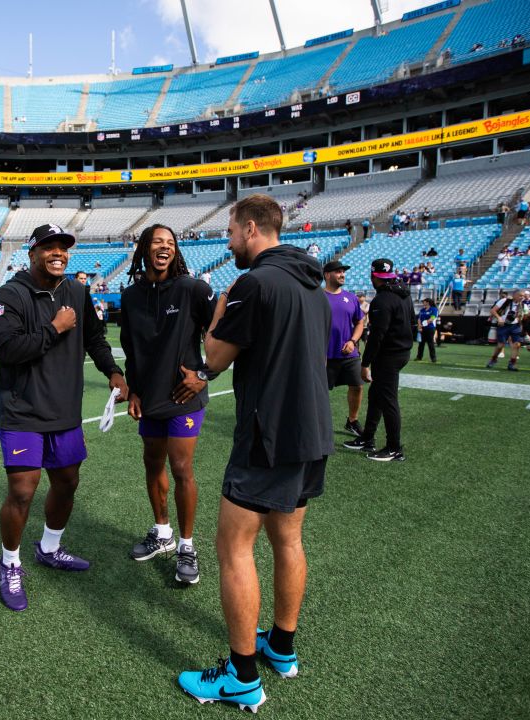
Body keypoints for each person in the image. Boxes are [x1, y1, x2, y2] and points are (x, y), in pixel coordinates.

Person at [177, 195, 331, 712]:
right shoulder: (314, 284)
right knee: (288, 539)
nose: (228, 242)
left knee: (233, 548)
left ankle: (242, 676)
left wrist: (219, 315)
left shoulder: (255, 282)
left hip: (268, 435)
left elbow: (214, 359)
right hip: (312, 432)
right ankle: (281, 648)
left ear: (249, 228)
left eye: (231, 232)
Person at [0, 223, 128, 612]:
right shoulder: (11, 293)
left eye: (63, 248)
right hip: (22, 411)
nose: (58, 253)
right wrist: (54, 329)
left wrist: (114, 373)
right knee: (22, 490)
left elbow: (95, 339)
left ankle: (49, 548)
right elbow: (8, 350)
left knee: (67, 483)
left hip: (65, 410)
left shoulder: (78, 291)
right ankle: (10, 563)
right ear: (32, 253)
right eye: (49, 247)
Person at [119, 224, 216, 585]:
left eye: (171, 243)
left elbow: (222, 337)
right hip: (150, 397)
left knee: (181, 468)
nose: (165, 247)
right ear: (144, 248)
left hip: (185, 397)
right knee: (151, 462)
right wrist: (134, 390)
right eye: (158, 242)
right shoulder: (130, 296)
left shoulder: (193, 289)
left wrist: (204, 375)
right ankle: (163, 534)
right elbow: (130, 348)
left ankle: (187, 546)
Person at [342, 259, 413, 461]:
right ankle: (367, 437)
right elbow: (413, 322)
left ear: (374, 277)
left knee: (388, 400)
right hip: (401, 351)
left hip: (389, 355)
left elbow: (376, 336)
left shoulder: (382, 300)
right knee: (377, 395)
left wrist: (365, 364)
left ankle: (394, 448)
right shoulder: (404, 295)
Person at [322, 261, 366, 437]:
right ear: (327, 275)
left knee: (357, 386)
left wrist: (353, 341)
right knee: (319, 391)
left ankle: (352, 421)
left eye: (343, 272)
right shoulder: (316, 296)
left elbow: (360, 322)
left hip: (349, 353)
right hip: (323, 355)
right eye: (338, 272)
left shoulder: (351, 297)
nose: (342, 275)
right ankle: (318, 423)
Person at [486, 289, 530, 371]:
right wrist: (499, 318)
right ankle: (493, 359)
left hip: (515, 326)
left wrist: (525, 316)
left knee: (516, 345)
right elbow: (493, 310)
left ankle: (512, 364)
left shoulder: (523, 306)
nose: (522, 297)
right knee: (500, 345)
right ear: (514, 296)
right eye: (520, 295)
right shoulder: (504, 301)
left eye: (523, 296)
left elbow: (525, 318)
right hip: (503, 325)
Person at [415, 298, 440, 362]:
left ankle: (433, 358)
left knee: (430, 343)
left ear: (428, 302)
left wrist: (425, 323)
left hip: (430, 328)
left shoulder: (434, 309)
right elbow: (419, 319)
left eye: (424, 301)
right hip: (422, 329)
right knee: (421, 344)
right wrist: (419, 326)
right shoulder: (422, 310)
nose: (423, 302)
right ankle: (419, 357)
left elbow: (433, 318)